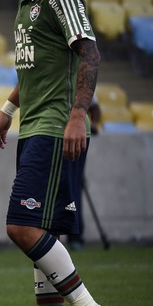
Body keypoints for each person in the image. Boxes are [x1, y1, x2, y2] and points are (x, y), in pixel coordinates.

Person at [0, 0, 114, 306]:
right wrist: (6, 109)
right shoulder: (27, 1)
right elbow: (33, 69)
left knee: (21, 226)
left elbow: (89, 53)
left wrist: (78, 115)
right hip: (34, 125)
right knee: (45, 230)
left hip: (56, 128)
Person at [67, 93, 101, 251]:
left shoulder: (82, 75)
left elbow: (94, 106)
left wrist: (93, 123)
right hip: (52, 132)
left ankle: (75, 233)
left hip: (76, 136)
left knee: (73, 186)